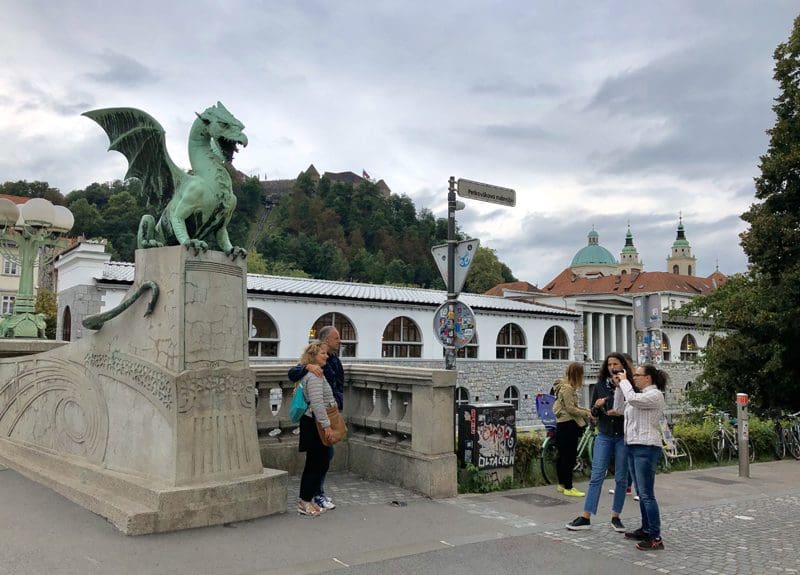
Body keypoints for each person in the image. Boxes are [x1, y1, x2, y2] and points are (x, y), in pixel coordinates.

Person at [566, 352, 634, 531]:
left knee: (621, 478)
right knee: (596, 476)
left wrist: (621, 412)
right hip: (604, 434)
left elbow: (634, 409)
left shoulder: (629, 386)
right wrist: (596, 407)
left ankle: (616, 517)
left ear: (623, 366)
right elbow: (593, 416)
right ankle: (586, 516)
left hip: (622, 436)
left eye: (616, 364)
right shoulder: (600, 386)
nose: (613, 367)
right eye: (610, 364)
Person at [613, 363, 668, 551]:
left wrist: (625, 382)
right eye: (633, 375)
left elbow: (634, 400)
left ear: (649, 378)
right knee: (641, 493)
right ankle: (646, 529)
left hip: (647, 447)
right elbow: (619, 408)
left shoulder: (655, 395)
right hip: (633, 446)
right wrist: (619, 386)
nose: (634, 377)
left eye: (637, 375)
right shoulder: (635, 394)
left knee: (646, 494)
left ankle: (656, 537)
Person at [288, 326, 344, 510]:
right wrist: (307, 366)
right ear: (325, 342)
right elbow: (316, 402)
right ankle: (310, 497)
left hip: (327, 416)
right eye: (336, 338)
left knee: (322, 457)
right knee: (319, 459)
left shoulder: (332, 361)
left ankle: (312, 496)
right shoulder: (312, 371)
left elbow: (338, 386)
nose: (339, 341)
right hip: (317, 420)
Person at [296, 340, 337, 516]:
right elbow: (317, 403)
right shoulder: (313, 376)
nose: (326, 356)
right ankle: (304, 502)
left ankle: (308, 500)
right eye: (322, 353)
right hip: (314, 425)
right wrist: (327, 426)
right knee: (314, 464)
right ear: (314, 356)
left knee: (319, 462)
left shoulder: (318, 373)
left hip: (315, 423)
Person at [553, 362, 592, 497]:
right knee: (569, 457)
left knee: (562, 456)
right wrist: (586, 413)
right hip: (568, 424)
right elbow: (571, 408)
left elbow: (571, 406)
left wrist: (586, 410)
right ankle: (569, 487)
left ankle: (562, 484)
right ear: (577, 374)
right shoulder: (568, 388)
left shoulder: (562, 386)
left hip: (561, 424)